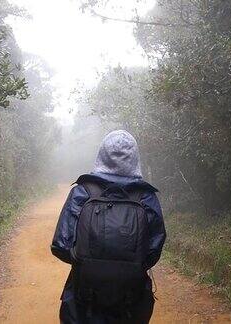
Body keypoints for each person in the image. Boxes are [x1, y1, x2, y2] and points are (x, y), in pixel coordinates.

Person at [51, 130, 166, 324]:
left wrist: (88, 264)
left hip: (84, 301)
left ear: (101, 155)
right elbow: (153, 252)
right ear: (135, 157)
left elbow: (61, 246)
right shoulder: (146, 197)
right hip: (130, 302)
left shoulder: (83, 192)